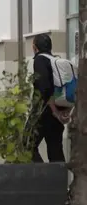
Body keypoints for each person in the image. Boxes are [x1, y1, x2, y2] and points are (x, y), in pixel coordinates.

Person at [31, 34, 69, 163]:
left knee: (27, 145)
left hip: (44, 112)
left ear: (34, 47)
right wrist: (61, 112)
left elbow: (44, 89)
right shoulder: (55, 61)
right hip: (57, 113)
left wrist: (53, 111)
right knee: (55, 149)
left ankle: (44, 177)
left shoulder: (39, 60)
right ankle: (59, 181)